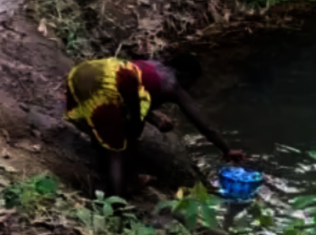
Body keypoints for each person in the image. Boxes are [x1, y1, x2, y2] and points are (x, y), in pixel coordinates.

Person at [63, 54, 246, 197]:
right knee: (116, 153)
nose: (190, 88)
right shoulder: (173, 85)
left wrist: (153, 118)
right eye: (192, 83)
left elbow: (132, 95)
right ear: (186, 76)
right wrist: (226, 150)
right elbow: (204, 125)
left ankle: (132, 179)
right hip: (107, 85)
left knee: (127, 129)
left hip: (84, 71)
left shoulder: (151, 66)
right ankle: (116, 205)